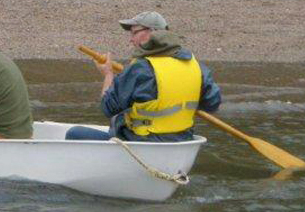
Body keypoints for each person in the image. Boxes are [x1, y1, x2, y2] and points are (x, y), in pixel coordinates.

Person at [66, 11, 222, 142]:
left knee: (74, 133)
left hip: (144, 143)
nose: (131, 39)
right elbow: (212, 104)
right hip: (181, 140)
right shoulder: (196, 66)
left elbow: (108, 108)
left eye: (135, 32)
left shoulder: (141, 69)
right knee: (117, 122)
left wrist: (108, 75)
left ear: (152, 33)